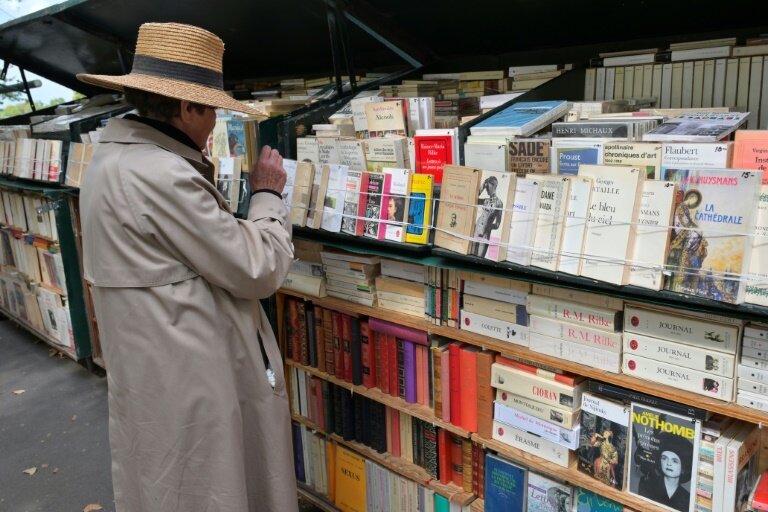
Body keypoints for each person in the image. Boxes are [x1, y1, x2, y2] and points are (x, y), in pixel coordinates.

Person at [77, 22, 297, 512]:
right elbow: (257, 269)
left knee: (164, 482)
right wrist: (265, 195)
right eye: (212, 110)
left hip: (154, 368)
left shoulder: (111, 160)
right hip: (190, 373)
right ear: (187, 107)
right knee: (209, 487)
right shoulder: (162, 174)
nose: (215, 122)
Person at [638, 432, 693, 512]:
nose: (668, 463)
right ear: (660, 462)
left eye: (674, 461)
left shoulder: (687, 498)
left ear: (683, 468)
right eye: (664, 458)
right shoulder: (646, 485)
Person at [471, 176, 503, 258]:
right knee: (471, 257)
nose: (486, 189)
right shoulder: (486, 200)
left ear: (494, 186)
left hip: (485, 234)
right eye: (486, 187)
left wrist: (488, 227)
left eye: (488, 187)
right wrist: (482, 186)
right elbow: (472, 199)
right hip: (477, 230)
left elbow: (497, 224)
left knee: (480, 260)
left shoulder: (499, 203)